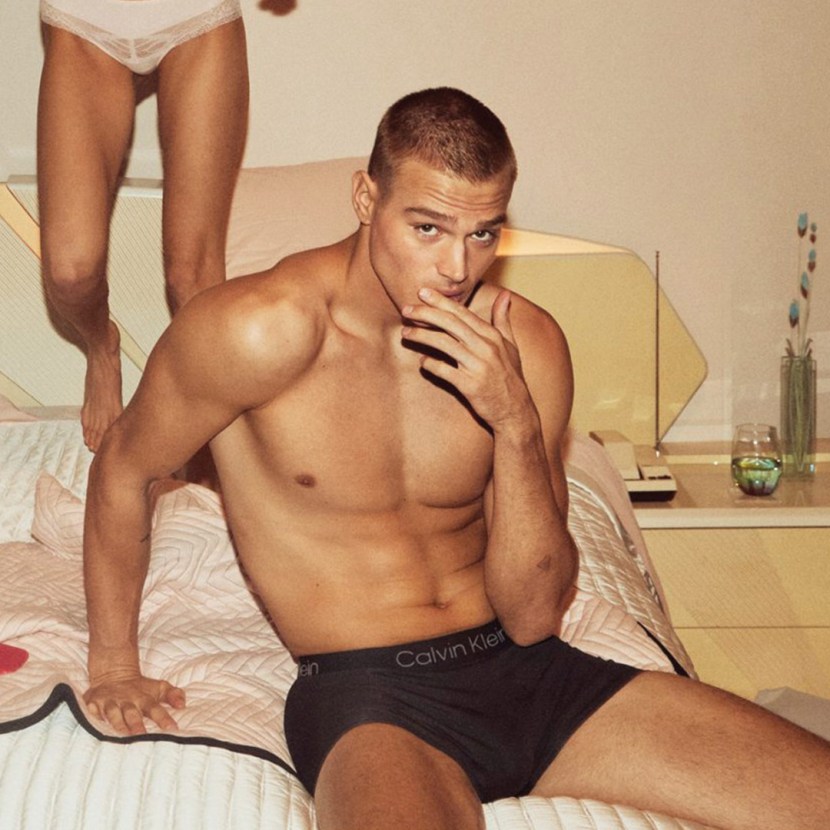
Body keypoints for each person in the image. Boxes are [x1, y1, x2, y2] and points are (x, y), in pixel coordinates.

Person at [82, 87, 830, 830]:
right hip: (372, 698)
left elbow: (534, 616)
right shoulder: (256, 331)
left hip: (530, 672)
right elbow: (124, 467)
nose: (456, 266)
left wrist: (514, 422)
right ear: (366, 198)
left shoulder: (526, 343)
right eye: (428, 228)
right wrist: (115, 666)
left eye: (482, 234)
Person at [37, 0, 249, 451]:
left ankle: (214, 446)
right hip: (84, 17)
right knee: (70, 272)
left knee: (192, 279)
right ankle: (101, 346)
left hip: (196, 16)